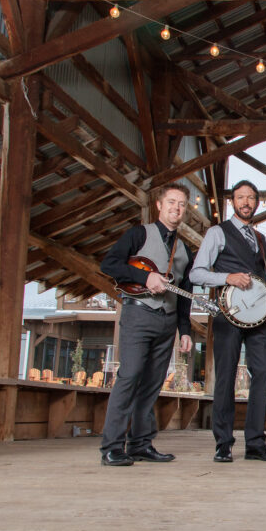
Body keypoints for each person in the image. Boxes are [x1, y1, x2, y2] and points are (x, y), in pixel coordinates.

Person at [99, 183, 194, 466]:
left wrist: (185, 330)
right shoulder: (138, 234)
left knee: (152, 384)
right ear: (159, 205)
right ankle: (112, 447)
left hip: (167, 322)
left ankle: (141, 444)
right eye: (172, 202)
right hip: (138, 315)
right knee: (129, 377)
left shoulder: (185, 250)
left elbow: (185, 294)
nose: (176, 208)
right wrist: (145, 278)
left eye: (182, 205)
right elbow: (109, 264)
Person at [190, 180, 266, 463]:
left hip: (259, 317)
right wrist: (227, 278)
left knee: (264, 373)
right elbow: (196, 274)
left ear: (257, 203)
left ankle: (255, 443)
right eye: (240, 197)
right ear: (233, 201)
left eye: (251, 198)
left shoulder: (262, 240)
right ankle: (223, 443)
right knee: (226, 377)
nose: (246, 202)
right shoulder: (217, 233)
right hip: (227, 314)